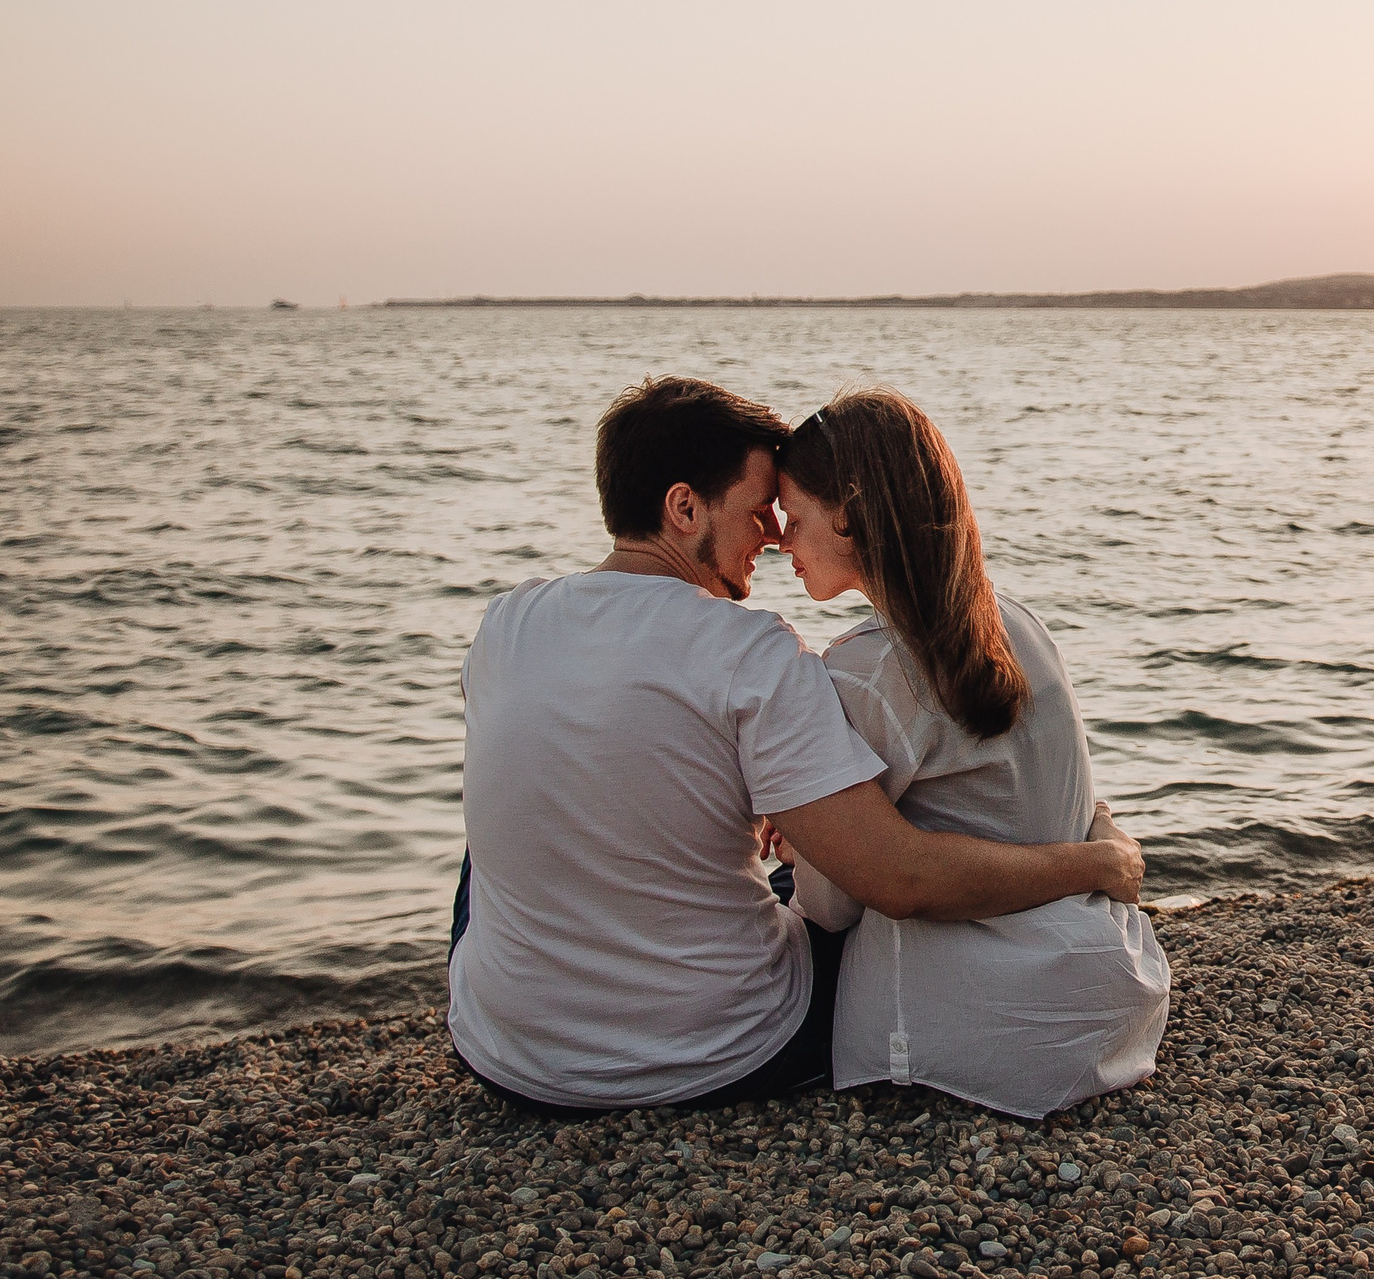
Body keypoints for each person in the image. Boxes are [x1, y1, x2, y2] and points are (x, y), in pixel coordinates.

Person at [446, 376, 1144, 1116]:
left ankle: (546, 998)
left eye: (782, 516)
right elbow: (895, 880)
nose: (773, 537)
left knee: (516, 818)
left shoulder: (505, 622)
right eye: (757, 512)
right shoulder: (754, 651)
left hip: (505, 1054)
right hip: (719, 1058)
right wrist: (1096, 860)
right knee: (799, 874)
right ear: (684, 508)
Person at [772, 388, 1170, 1118]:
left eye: (793, 520)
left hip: (967, 1030)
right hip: (1109, 992)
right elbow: (1065, 803)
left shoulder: (863, 671)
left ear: (851, 513)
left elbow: (832, 906)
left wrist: (810, 843)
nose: (781, 544)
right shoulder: (1019, 622)